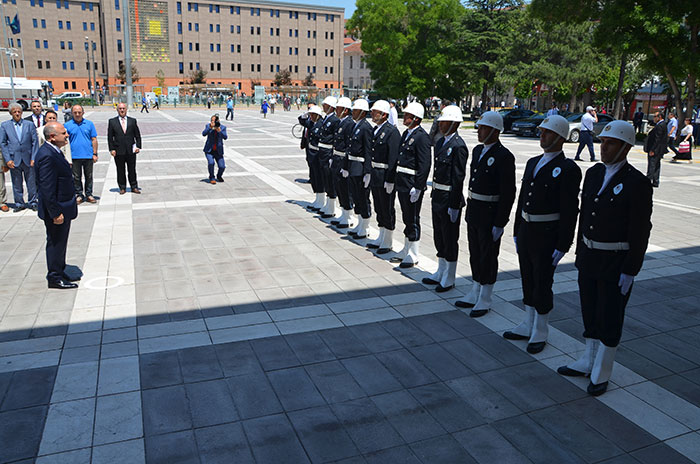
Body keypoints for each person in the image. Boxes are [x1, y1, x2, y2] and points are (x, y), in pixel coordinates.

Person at [558, 121, 652, 396]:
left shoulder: (637, 182)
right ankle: (588, 359)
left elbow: (640, 229)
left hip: (615, 260)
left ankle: (602, 371)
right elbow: (585, 213)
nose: (604, 147)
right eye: (603, 141)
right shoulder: (595, 173)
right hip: (590, 255)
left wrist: (631, 268)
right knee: (589, 310)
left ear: (625, 147)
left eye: (611, 143)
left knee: (610, 315)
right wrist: (579, 251)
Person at [503, 115, 582, 353]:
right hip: (528, 229)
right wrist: (517, 229)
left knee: (542, 282)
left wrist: (563, 243)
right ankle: (528, 322)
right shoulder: (533, 162)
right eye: (541, 131)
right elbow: (522, 197)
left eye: (547, 132)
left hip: (547, 234)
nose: (542, 135)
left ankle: (541, 329)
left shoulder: (568, 169)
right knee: (527, 277)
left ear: (559, 137)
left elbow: (570, 210)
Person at [455, 111, 516, 315]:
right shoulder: (479, 150)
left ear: (495, 131)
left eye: (483, 128)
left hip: (490, 213)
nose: (479, 131)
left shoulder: (504, 156)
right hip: (475, 209)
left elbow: (508, 193)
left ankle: (486, 296)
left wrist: (500, 222)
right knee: (475, 252)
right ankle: (475, 289)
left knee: (488, 255)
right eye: (479, 127)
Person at [421, 105, 468, 291]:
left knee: (449, 238)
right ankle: (440, 271)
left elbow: (458, 177)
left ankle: (449, 276)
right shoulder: (440, 143)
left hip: (449, 198)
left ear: (455, 123)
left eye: (445, 122)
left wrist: (455, 204)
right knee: (438, 236)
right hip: (438, 196)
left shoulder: (459, 146)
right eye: (440, 122)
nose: (440, 125)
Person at [35, 122, 79, 289]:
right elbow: (47, 188)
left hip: (63, 207)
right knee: (55, 243)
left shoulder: (53, 151)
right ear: (52, 137)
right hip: (56, 211)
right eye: (63, 133)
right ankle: (54, 277)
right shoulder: (47, 155)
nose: (67, 135)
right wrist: (55, 213)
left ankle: (60, 270)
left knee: (61, 242)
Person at [391, 102, 431, 268]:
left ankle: (413, 253)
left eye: (408, 115)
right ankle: (407, 248)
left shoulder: (422, 137)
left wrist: (419, 186)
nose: (404, 117)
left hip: (412, 184)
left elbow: (425, 164)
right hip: (403, 182)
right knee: (406, 217)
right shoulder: (406, 134)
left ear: (416, 118)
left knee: (413, 218)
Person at [366, 100, 400, 254]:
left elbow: (393, 158)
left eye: (375, 112)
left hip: (385, 174)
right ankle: (381, 235)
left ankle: (388, 240)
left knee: (387, 208)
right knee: (379, 206)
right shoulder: (376, 129)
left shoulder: (392, 132)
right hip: (376, 174)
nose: (372, 114)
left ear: (384, 114)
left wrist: (390, 179)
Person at [0, 103, 39, 212]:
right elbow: (3, 143)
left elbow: (34, 142)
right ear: (11, 113)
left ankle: (33, 201)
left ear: (22, 112)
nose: (17, 113)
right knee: (16, 183)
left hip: (28, 158)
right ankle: (19, 203)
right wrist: (7, 159)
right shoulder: (5, 125)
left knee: (31, 182)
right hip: (14, 159)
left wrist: (33, 157)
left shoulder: (29, 124)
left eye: (19, 111)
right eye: (14, 112)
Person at [343, 99, 373, 239]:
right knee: (356, 196)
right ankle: (360, 223)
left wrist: (367, 172)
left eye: (355, 110)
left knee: (363, 197)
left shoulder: (366, 127)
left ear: (362, 112)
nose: (352, 112)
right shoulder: (356, 126)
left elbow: (368, 151)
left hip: (360, 167)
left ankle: (365, 226)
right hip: (353, 166)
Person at [330, 97, 355, 229]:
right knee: (339, 188)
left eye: (338, 108)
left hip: (343, 160)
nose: (336, 110)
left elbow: (348, 146)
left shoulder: (349, 124)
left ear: (345, 110)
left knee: (345, 190)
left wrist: (346, 165)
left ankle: (349, 216)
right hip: (337, 158)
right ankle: (344, 213)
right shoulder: (341, 122)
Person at [64, 105, 98, 204]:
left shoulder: (89, 124)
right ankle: (79, 194)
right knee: (76, 177)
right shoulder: (67, 125)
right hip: (74, 156)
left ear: (83, 113)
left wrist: (95, 153)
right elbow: (64, 142)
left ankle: (89, 194)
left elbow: (94, 139)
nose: (77, 114)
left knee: (89, 176)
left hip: (88, 155)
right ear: (72, 113)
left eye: (79, 112)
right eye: (75, 112)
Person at [108, 103, 142, 194]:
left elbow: (137, 135)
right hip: (118, 150)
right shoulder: (112, 121)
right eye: (120, 109)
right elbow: (110, 137)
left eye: (123, 108)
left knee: (132, 170)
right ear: (117, 110)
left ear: (126, 109)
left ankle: (134, 186)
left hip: (131, 150)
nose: (122, 110)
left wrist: (138, 146)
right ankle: (122, 187)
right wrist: (112, 149)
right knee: (120, 170)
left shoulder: (132, 121)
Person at [316, 96, 340, 219]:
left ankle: (332, 207)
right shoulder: (326, 118)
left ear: (331, 107)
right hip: (322, 151)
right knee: (325, 178)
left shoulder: (335, 120)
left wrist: (332, 154)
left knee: (330, 180)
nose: (323, 107)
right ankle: (327, 204)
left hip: (328, 151)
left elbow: (335, 139)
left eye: (325, 105)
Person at [299, 105, 325, 210]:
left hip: (318, 154)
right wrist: (305, 114)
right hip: (311, 153)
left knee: (319, 178)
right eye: (311, 114)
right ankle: (318, 198)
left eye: (313, 114)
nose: (312, 116)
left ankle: (321, 200)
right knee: (314, 177)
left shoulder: (321, 124)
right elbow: (301, 121)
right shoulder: (311, 123)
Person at [643, 112, 667, 187]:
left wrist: (652, 150)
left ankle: (648, 180)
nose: (653, 118)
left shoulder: (660, 125)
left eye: (655, 116)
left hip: (656, 150)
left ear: (659, 117)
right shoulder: (662, 124)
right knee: (656, 165)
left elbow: (657, 139)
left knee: (652, 165)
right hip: (659, 149)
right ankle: (655, 181)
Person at [202, 114, 228, 184]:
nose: (213, 122)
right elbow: (203, 134)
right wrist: (210, 127)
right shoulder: (208, 126)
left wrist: (219, 131)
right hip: (209, 150)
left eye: (215, 121)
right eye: (212, 121)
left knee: (222, 166)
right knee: (211, 163)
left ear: (218, 121)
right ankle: (212, 177)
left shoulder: (222, 127)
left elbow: (225, 137)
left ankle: (219, 176)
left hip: (218, 151)